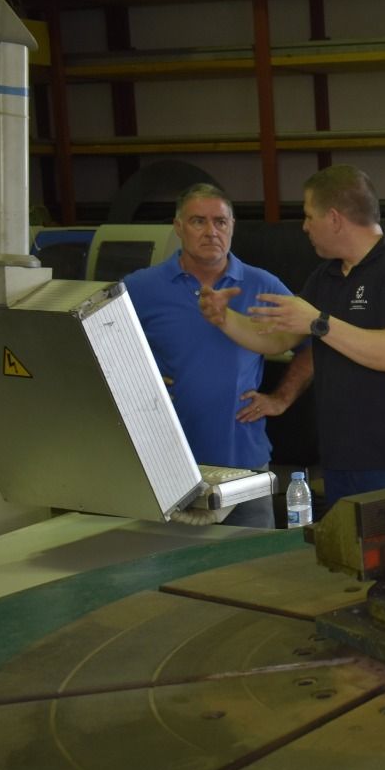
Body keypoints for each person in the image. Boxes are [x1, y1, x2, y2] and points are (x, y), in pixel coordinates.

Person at [200, 165, 385, 504]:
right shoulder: (327, 277)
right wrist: (225, 320)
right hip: (341, 458)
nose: (305, 227)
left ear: (334, 219)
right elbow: (280, 340)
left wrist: (319, 322)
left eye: (309, 216)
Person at [124, 183, 290, 528]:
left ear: (232, 227)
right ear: (178, 226)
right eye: (198, 221)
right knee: (166, 572)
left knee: (256, 575)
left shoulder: (263, 286)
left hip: (245, 467)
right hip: (165, 470)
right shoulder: (140, 289)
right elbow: (99, 350)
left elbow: (314, 343)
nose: (211, 231)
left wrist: (281, 398)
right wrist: (140, 386)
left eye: (221, 222)